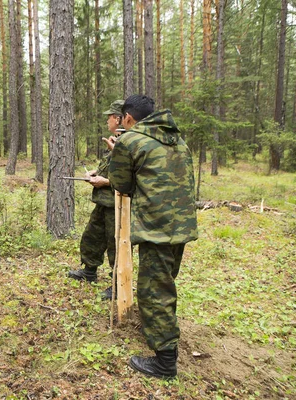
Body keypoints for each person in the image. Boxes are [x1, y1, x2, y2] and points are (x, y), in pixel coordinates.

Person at [108, 94, 198, 379]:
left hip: (155, 228)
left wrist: (116, 152)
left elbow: (120, 184)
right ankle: (161, 334)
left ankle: (164, 362)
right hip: (181, 226)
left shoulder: (130, 141)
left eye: (122, 120)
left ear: (129, 119)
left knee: (154, 293)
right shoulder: (177, 140)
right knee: (165, 283)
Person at [67, 100, 124, 301]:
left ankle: (119, 285)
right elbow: (114, 167)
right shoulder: (117, 139)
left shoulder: (129, 141)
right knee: (92, 235)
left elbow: (131, 175)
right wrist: (96, 173)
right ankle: (89, 271)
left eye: (110, 116)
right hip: (104, 201)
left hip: (118, 204)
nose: (107, 120)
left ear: (118, 118)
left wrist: (105, 181)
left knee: (116, 245)